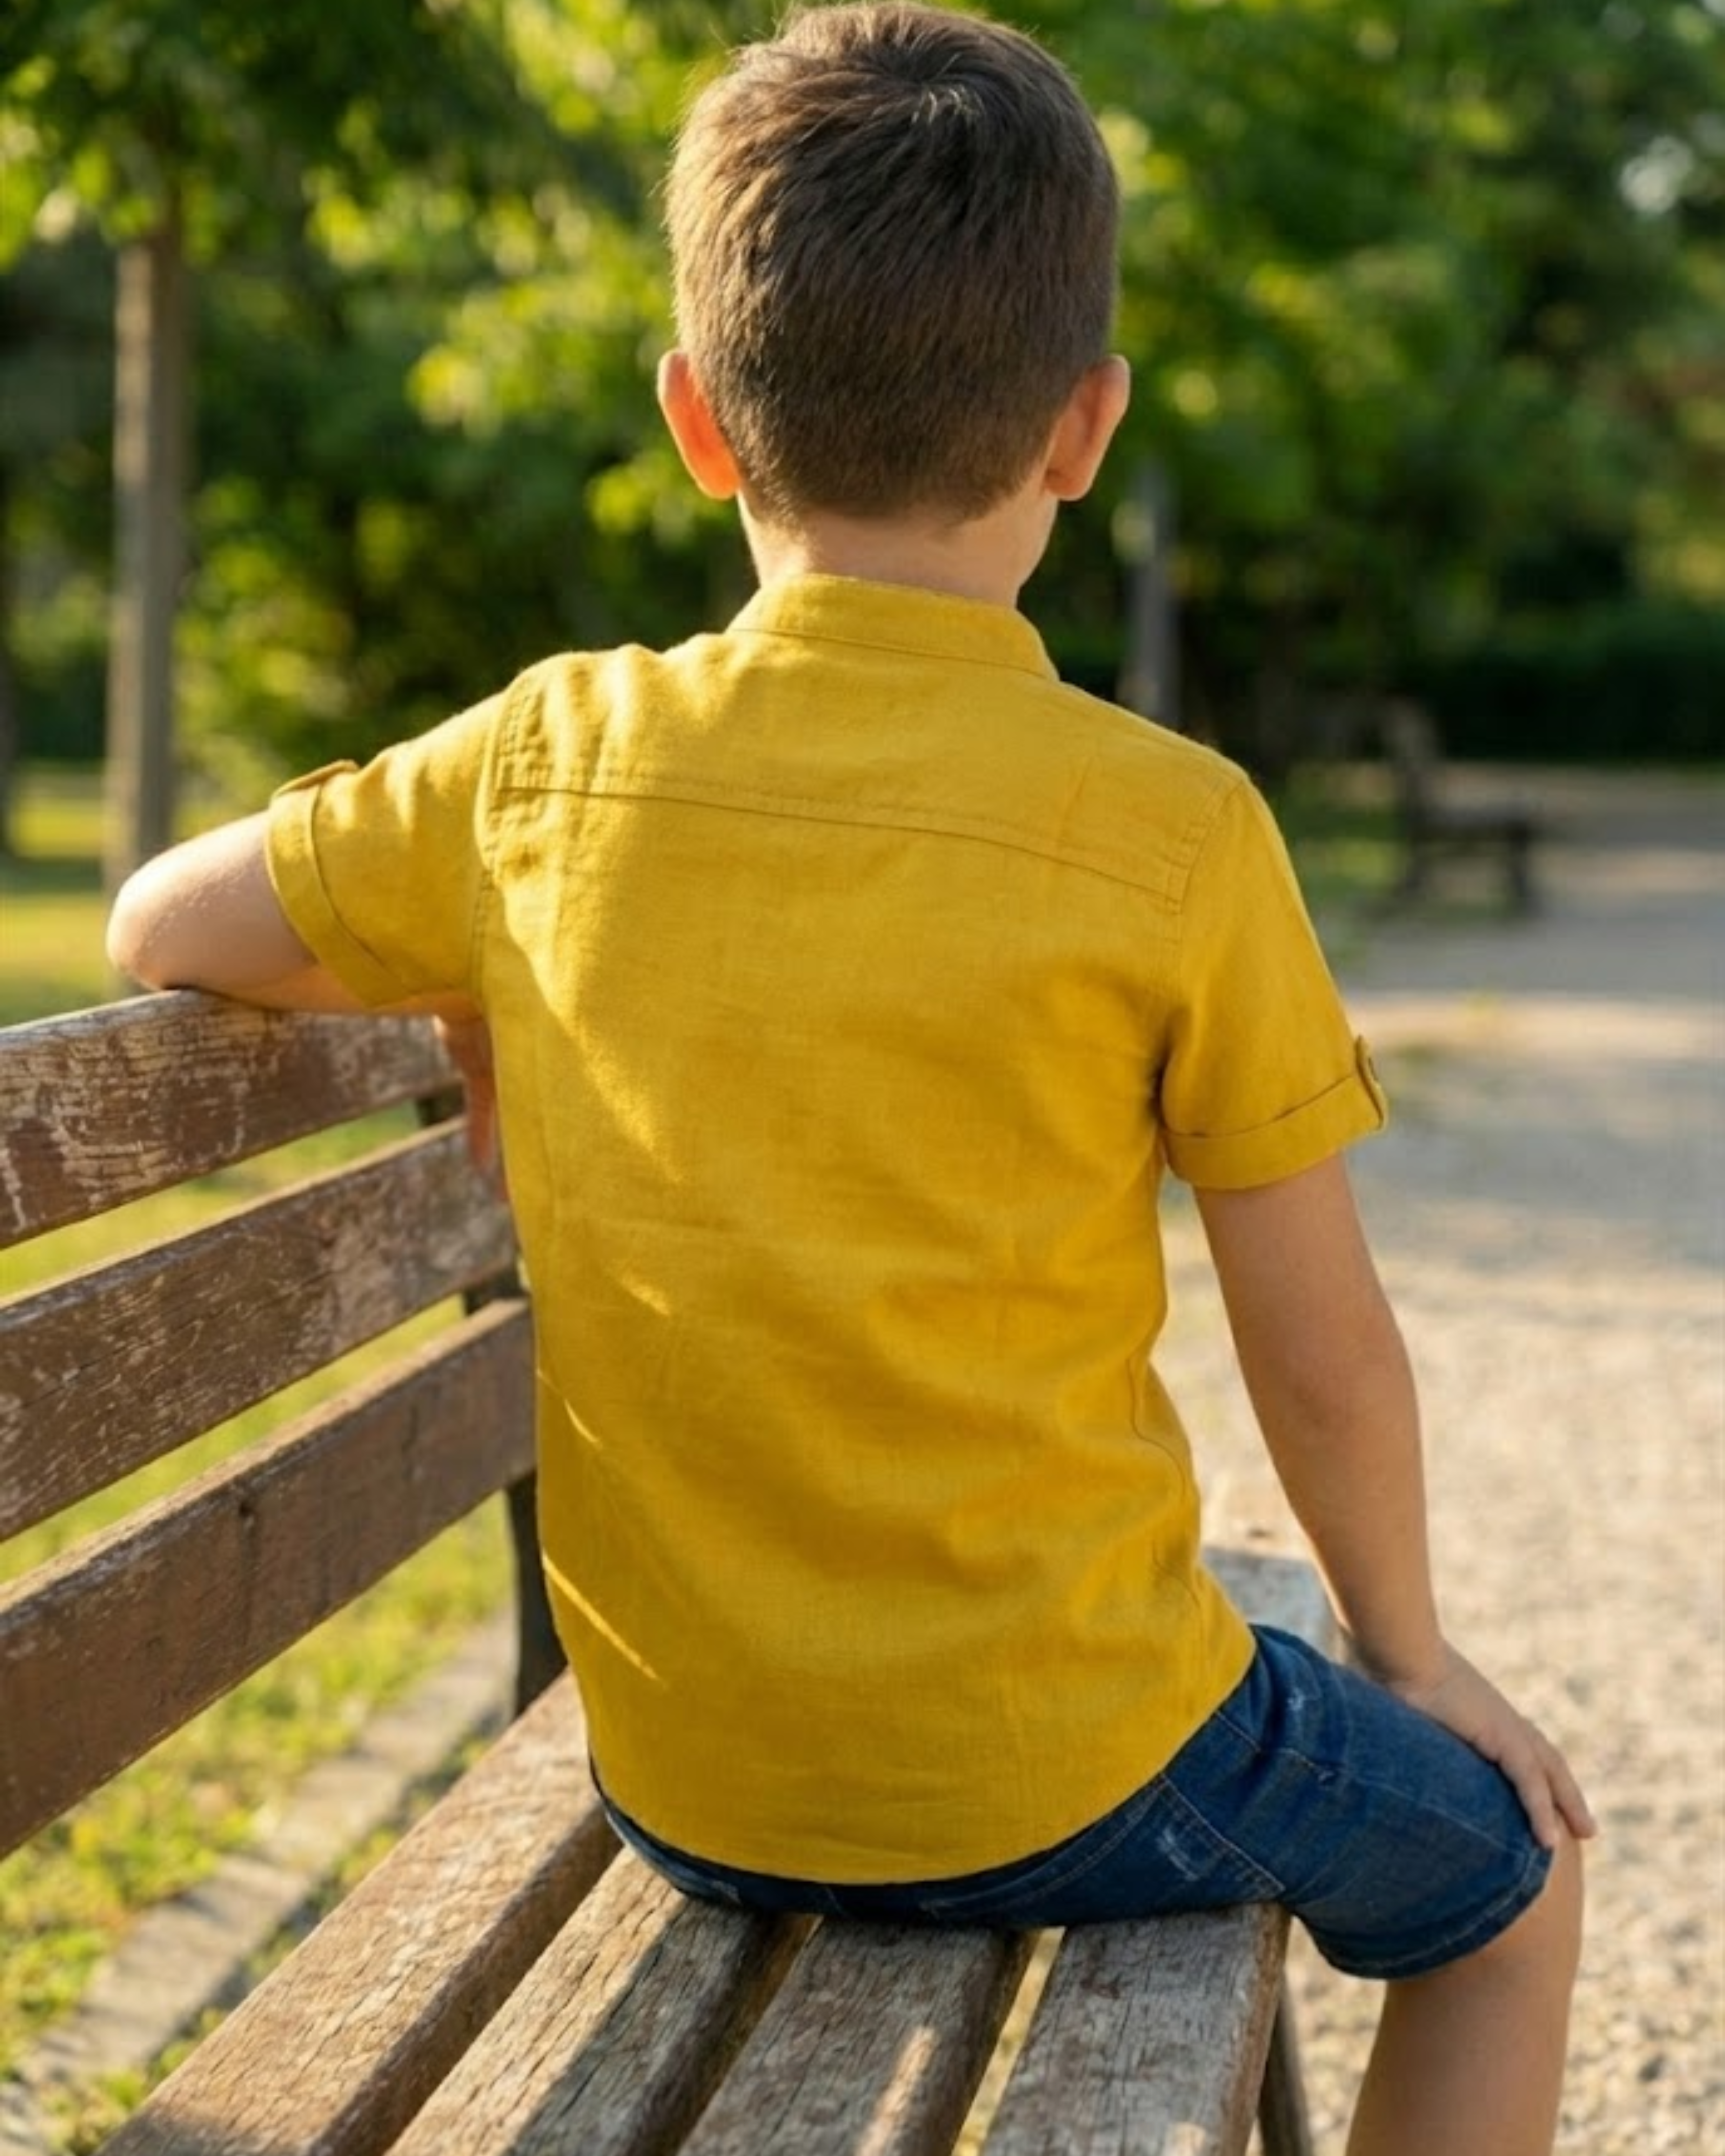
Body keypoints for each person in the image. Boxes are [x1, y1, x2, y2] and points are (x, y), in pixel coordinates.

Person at [107, 7, 1592, 2148]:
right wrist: (1415, 1651)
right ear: (1084, 429)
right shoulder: (1175, 829)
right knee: (1515, 1878)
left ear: (696, 424)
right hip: (1062, 1760)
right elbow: (1326, 1346)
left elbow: (162, 921)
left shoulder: (546, 761)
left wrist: (463, 967)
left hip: (690, 1779)